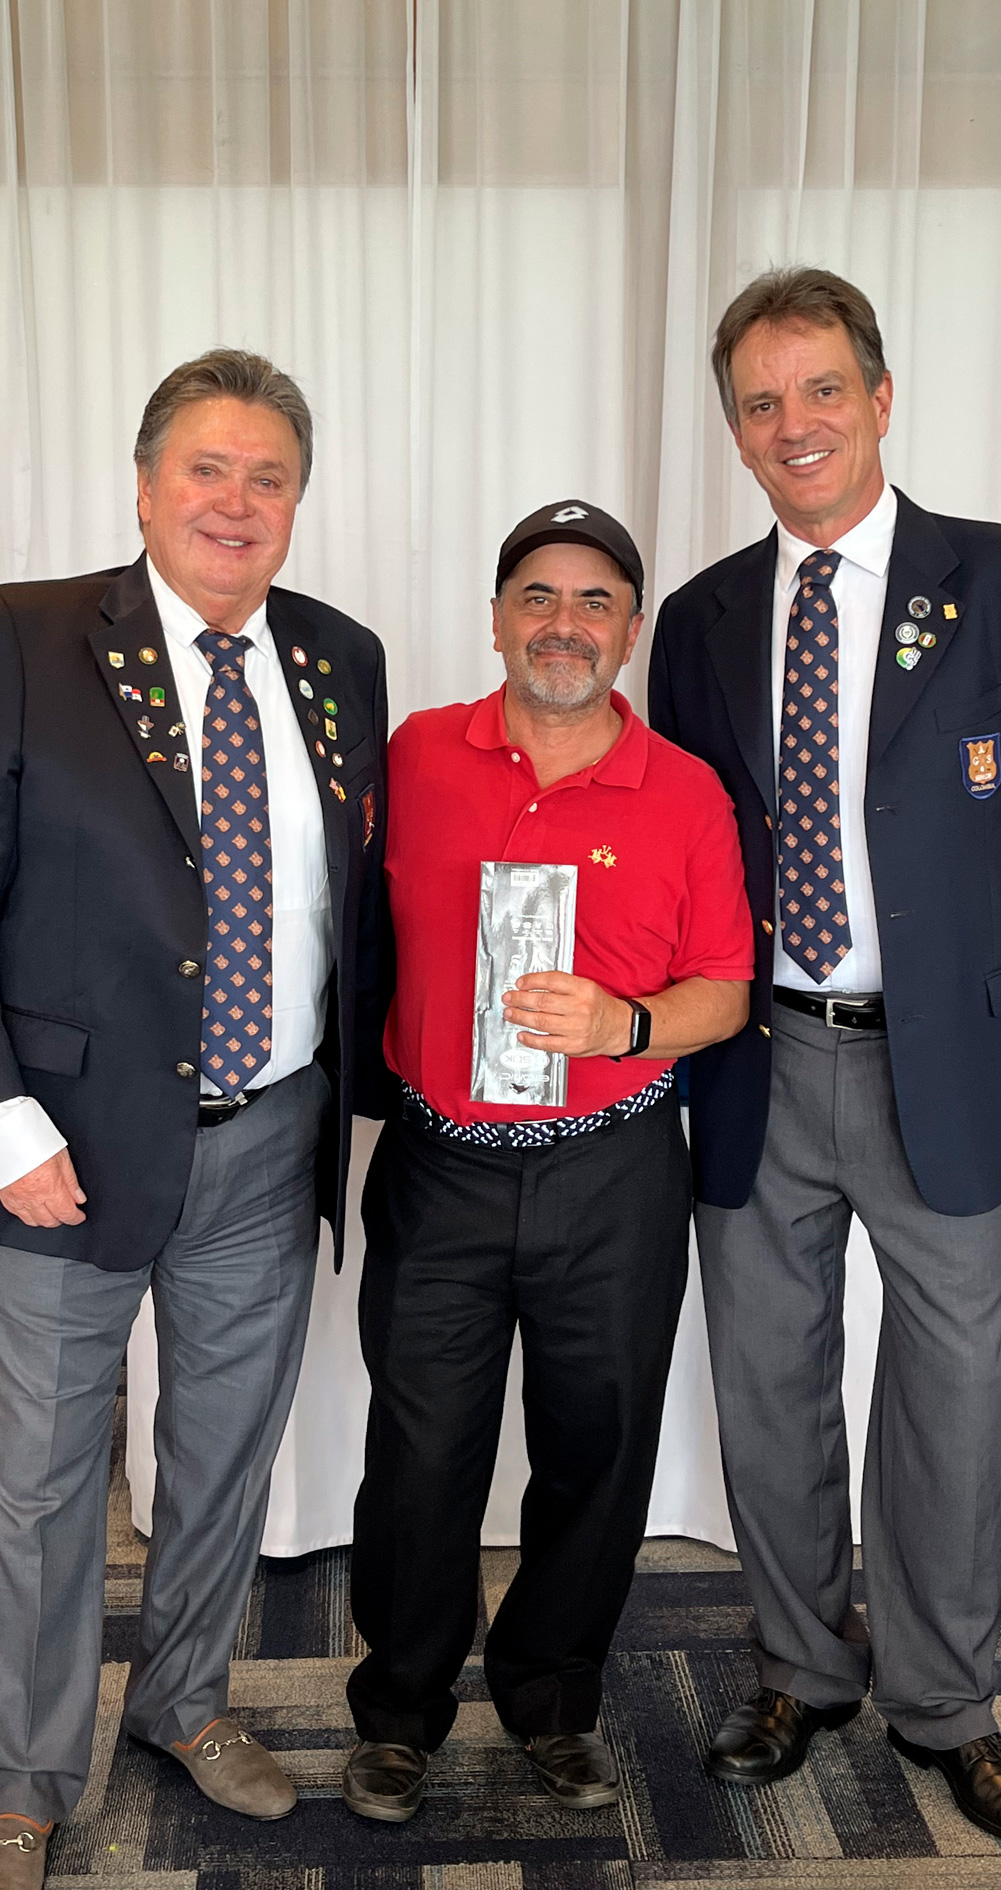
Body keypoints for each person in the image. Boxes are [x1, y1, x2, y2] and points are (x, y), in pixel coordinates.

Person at [0, 348, 387, 1890]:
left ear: (297, 502)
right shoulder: (24, 637)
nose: (236, 503)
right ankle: (21, 1783)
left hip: (269, 1135)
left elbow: (347, 904)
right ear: (147, 484)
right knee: (37, 1488)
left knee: (223, 1454)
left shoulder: (340, 658)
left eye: (268, 477)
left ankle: (183, 1702)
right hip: (62, 1148)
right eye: (206, 470)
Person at [648, 268, 1001, 1848]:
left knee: (945, 1392)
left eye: (819, 389)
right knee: (768, 1382)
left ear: (876, 396)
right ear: (736, 432)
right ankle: (801, 1667)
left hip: (943, 1061)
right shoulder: (701, 618)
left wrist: (965, 932)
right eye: (759, 403)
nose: (792, 424)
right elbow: (681, 840)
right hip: (756, 1057)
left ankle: (945, 1703)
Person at [340, 502, 753, 1823]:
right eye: (537, 596)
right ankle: (399, 1711)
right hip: (439, 1167)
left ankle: (552, 1700)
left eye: (593, 603)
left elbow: (727, 990)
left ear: (628, 634)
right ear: (495, 618)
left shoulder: (685, 790)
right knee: (421, 1455)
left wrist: (625, 1024)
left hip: (611, 1173)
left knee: (598, 1448)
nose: (562, 625)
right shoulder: (412, 755)